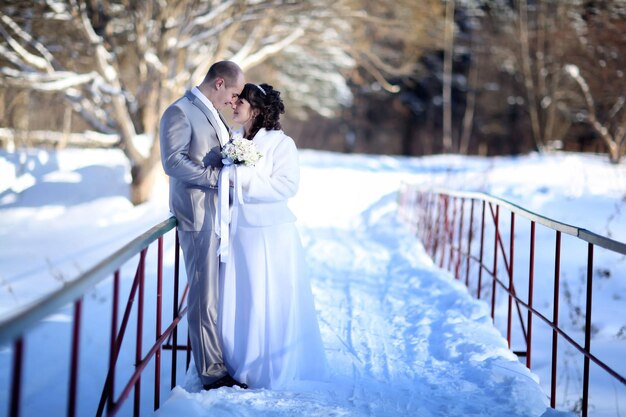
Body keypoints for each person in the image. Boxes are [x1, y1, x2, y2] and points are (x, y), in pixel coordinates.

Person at [217, 83, 327, 389]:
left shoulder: (282, 144)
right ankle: (237, 361)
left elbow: (287, 186)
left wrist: (243, 180)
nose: (234, 104)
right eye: (234, 100)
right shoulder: (233, 139)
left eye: (241, 101)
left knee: (267, 297)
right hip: (238, 232)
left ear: (258, 109)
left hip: (270, 234)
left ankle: (264, 366)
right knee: (243, 297)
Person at [159, 61, 248, 390]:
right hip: (197, 216)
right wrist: (218, 180)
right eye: (234, 94)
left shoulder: (211, 111)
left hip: (217, 216)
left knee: (215, 293)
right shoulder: (179, 111)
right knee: (203, 294)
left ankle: (219, 359)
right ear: (220, 82)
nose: (234, 102)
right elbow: (173, 161)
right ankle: (211, 372)